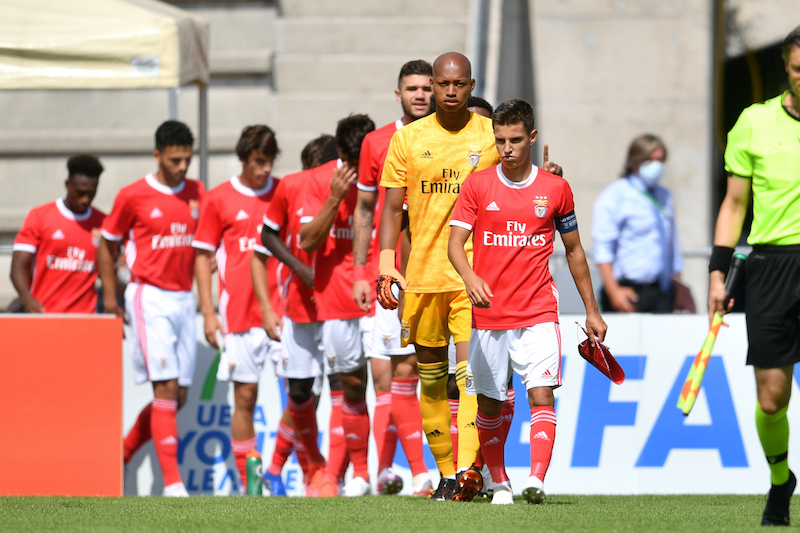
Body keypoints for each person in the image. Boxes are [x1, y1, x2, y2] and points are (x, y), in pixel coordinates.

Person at [448, 98, 606, 505]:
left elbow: (573, 251)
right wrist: (470, 277)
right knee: (490, 402)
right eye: (500, 140)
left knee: (541, 394)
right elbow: (454, 245)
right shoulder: (478, 185)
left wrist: (591, 309)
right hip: (488, 315)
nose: (507, 148)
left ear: (532, 137)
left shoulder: (556, 189)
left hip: (538, 312)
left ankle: (536, 478)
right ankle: (499, 482)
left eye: (515, 140)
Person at [376, 51, 500, 501]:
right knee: (430, 379)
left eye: (459, 84)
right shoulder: (408, 139)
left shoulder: (491, 136)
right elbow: (391, 209)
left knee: (471, 377)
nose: (449, 91)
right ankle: (446, 475)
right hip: (423, 276)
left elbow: (519, 186)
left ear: (470, 86)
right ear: (433, 83)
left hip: (473, 276)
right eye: (442, 83)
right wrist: (387, 265)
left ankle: (469, 471)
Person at [708, 25, 800, 527]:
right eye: (797, 69)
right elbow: (735, 203)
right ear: (786, 68)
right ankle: (781, 480)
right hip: (771, 266)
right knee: (772, 398)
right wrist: (717, 273)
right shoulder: (754, 122)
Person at [98, 120, 204, 497]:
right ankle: (173, 485)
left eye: (187, 160)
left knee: (178, 397)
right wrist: (111, 298)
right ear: (157, 155)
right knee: (166, 387)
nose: (182, 167)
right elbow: (106, 245)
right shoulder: (132, 196)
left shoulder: (197, 192)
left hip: (182, 299)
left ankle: (123, 453)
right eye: (175, 159)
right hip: (150, 296)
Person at [352, 59, 434, 496]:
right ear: (397, 93)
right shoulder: (376, 142)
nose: (420, 95)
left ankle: (403, 470)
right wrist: (362, 271)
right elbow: (366, 209)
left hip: (439, 271)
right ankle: (403, 471)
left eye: (426, 88)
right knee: (392, 374)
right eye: (412, 88)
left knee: (430, 374)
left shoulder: (447, 136)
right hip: (391, 274)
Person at [193, 125, 280, 494]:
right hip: (240, 316)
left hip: (283, 311)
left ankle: (291, 471)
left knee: (303, 394)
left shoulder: (283, 192)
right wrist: (209, 312)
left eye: (269, 161)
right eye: (258, 162)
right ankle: (251, 484)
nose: (264, 169)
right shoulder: (218, 199)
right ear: (243, 159)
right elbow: (202, 255)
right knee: (244, 397)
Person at [262, 133, 350, 497]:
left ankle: (335, 475)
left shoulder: (354, 193)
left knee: (343, 388)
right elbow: (263, 242)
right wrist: (298, 269)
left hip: (339, 307)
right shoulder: (291, 188)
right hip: (298, 307)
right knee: (300, 392)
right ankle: (311, 468)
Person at [295, 114, 377, 497]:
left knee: (397, 379)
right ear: (342, 153)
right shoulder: (317, 180)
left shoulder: (387, 173)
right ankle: (355, 474)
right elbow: (307, 243)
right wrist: (332, 197)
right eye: (356, 156)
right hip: (336, 299)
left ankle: (402, 473)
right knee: (351, 385)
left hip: (384, 294)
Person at [592, 134, 683, 313]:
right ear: (635, 162)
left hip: (661, 291)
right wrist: (613, 290)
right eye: (651, 160)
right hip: (628, 291)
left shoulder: (665, 196)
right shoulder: (615, 195)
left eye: (661, 160)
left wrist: (678, 285)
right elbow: (603, 248)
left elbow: (672, 246)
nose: (657, 166)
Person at [11, 154, 106, 314]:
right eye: (80, 192)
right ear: (68, 185)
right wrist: (27, 299)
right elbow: (18, 266)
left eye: (91, 193)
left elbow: (108, 272)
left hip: (86, 317)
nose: (85, 200)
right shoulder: (40, 216)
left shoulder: (103, 223)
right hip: (44, 313)